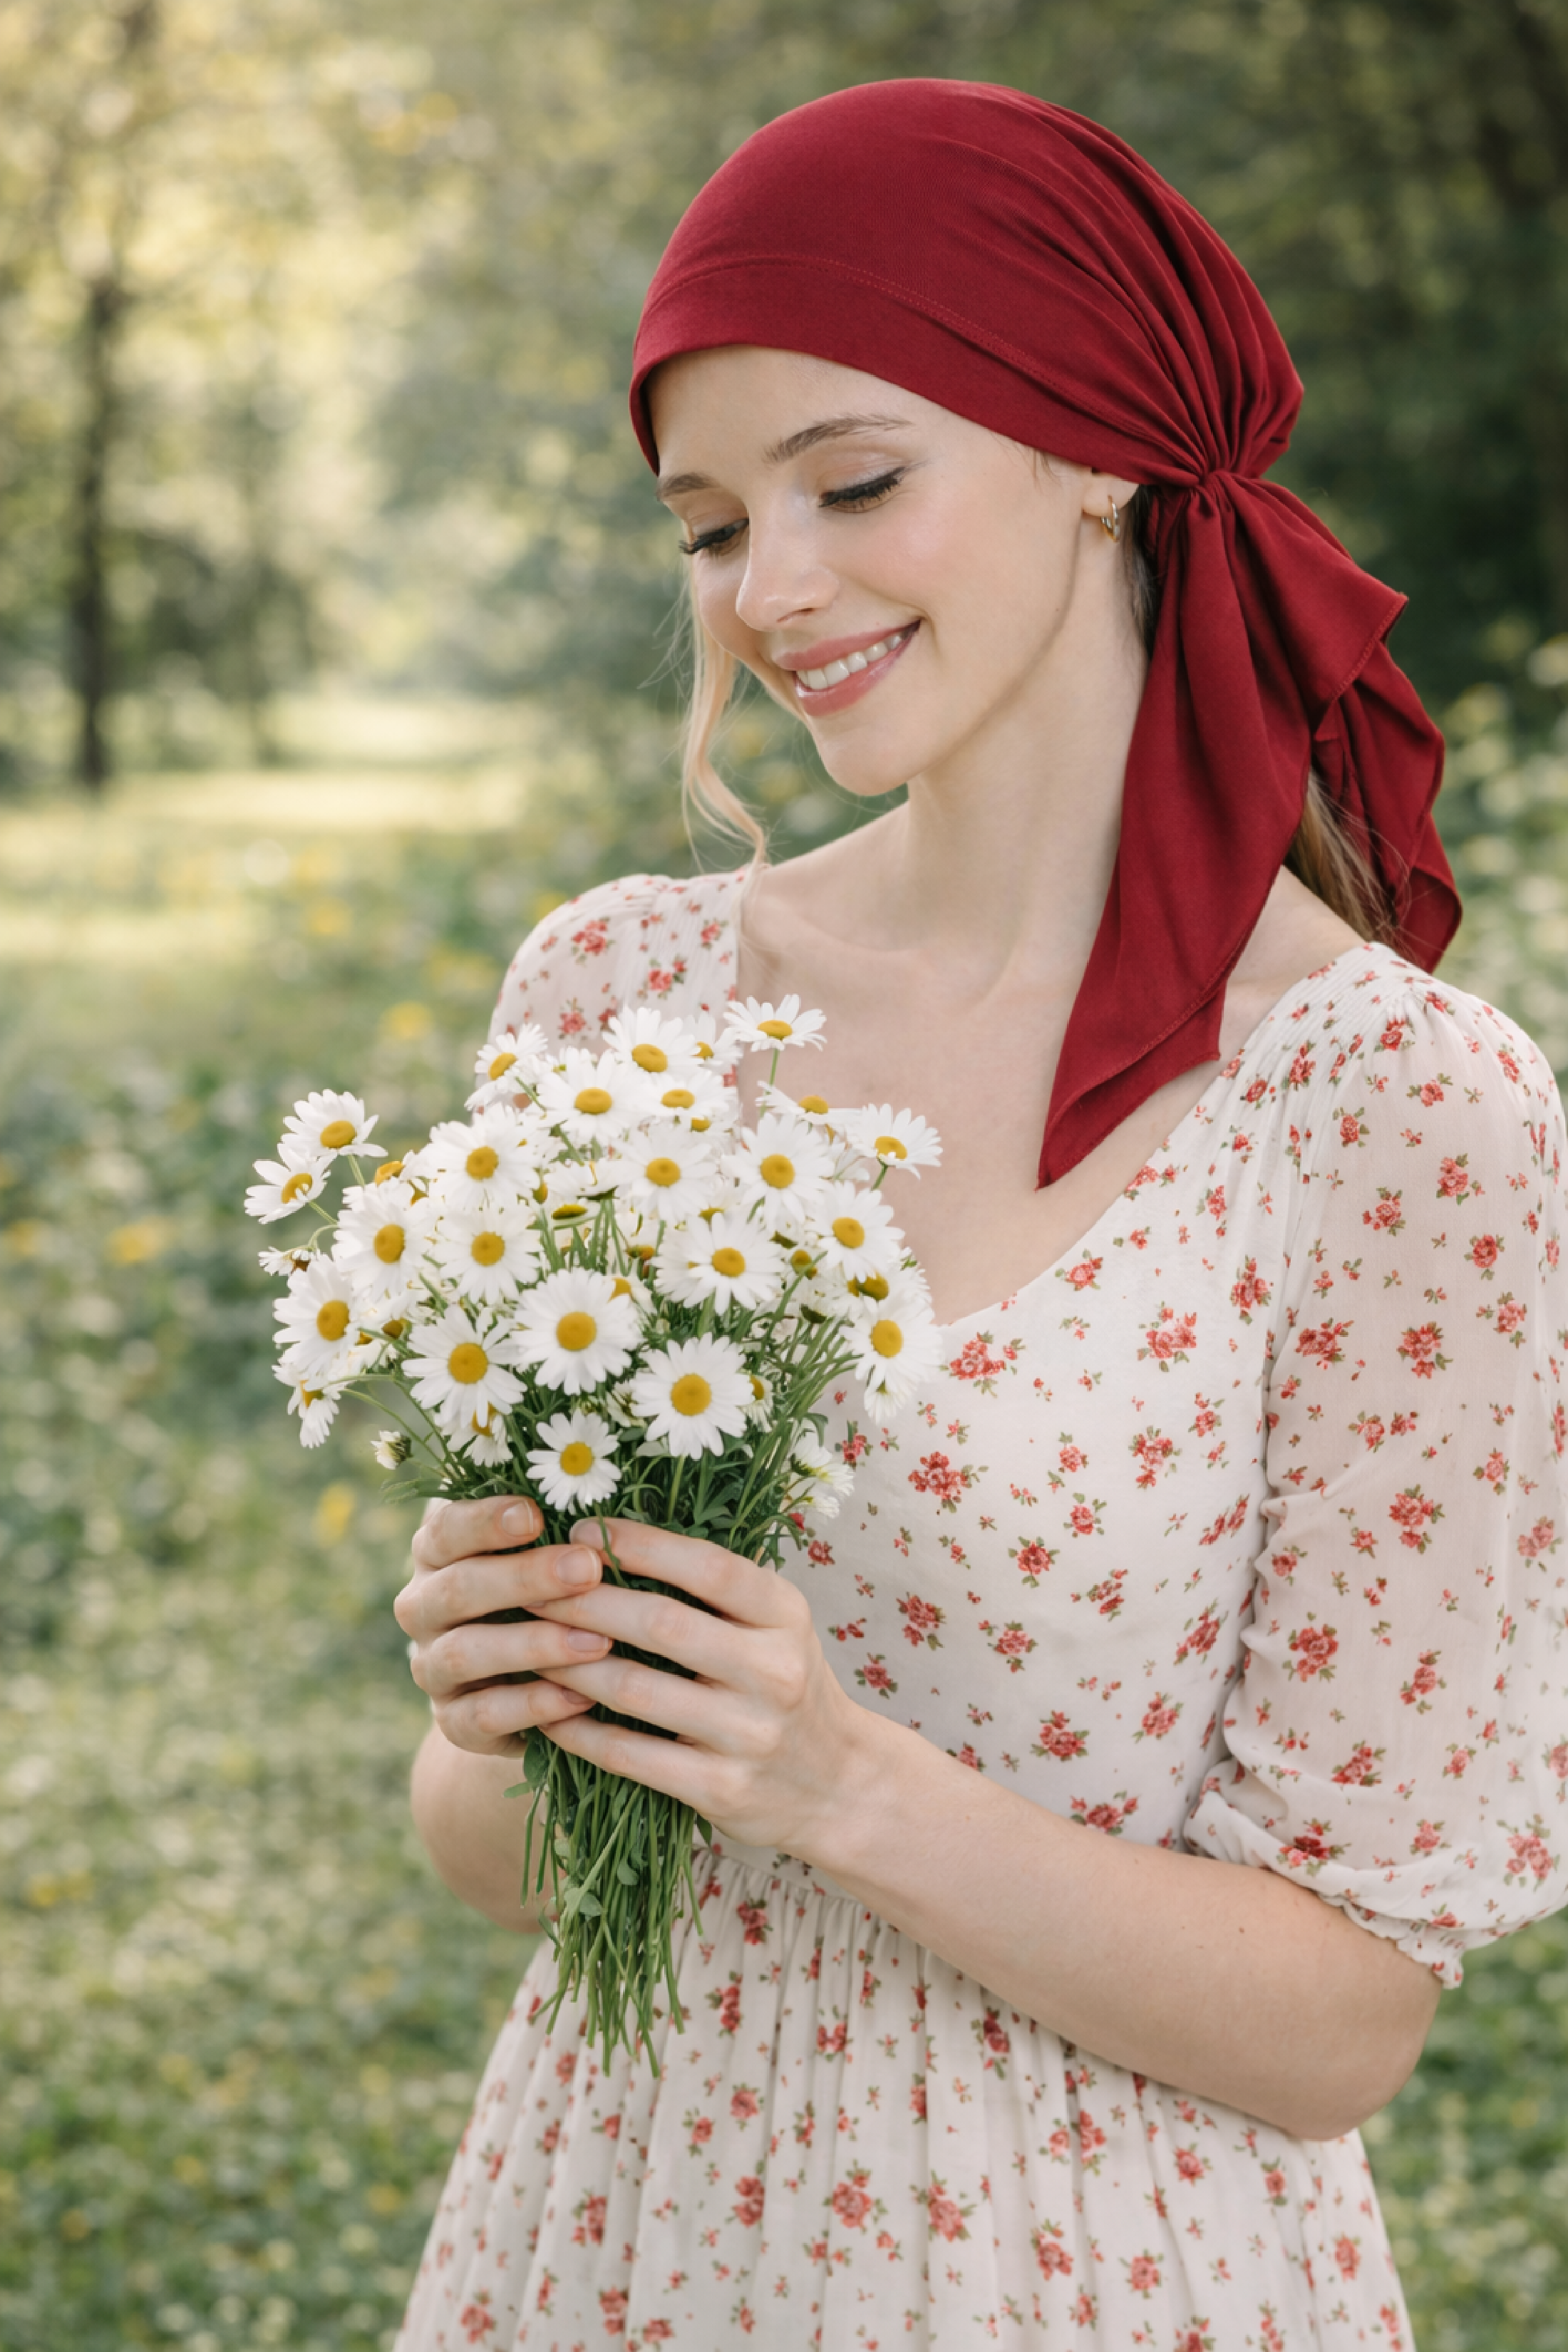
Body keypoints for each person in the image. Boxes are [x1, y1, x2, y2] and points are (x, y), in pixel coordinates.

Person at [393, 81, 1568, 2351]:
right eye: (710, 526)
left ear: (1102, 450)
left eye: (853, 482)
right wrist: (496, 1699)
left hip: (1102, 2270)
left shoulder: (1400, 1110)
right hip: (622, 2235)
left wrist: (839, 1780)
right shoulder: (621, 999)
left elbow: (1342, 2022)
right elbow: (495, 1853)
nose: (774, 589)